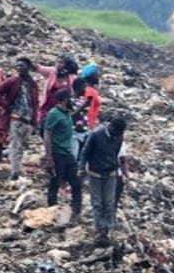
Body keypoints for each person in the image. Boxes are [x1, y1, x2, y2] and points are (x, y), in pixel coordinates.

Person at [78, 115, 127, 246]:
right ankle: (100, 230)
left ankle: (108, 229)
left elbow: (116, 154)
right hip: (95, 173)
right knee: (98, 203)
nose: (118, 135)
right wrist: (81, 168)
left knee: (110, 203)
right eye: (117, 132)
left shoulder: (119, 136)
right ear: (112, 127)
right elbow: (85, 153)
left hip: (111, 173)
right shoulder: (95, 135)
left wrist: (120, 172)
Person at [0, 56, 39, 181]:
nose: (19, 68)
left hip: (28, 119)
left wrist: (35, 120)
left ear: (29, 68)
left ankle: (17, 168)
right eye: (17, 66)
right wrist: (7, 107)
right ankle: (15, 172)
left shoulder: (32, 84)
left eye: (22, 66)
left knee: (22, 145)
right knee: (15, 145)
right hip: (16, 118)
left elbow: (35, 103)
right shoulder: (12, 81)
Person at [43, 88, 82, 219]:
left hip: (67, 153)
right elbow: (47, 134)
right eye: (70, 98)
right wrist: (49, 158)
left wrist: (84, 106)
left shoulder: (66, 113)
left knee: (75, 182)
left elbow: (73, 114)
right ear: (65, 99)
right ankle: (51, 210)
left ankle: (76, 209)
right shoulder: (54, 114)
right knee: (55, 181)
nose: (72, 100)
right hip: (57, 153)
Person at [36, 54, 78, 135]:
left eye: (61, 63)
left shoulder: (72, 77)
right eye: (57, 62)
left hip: (62, 110)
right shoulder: (52, 71)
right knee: (45, 130)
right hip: (47, 109)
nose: (58, 64)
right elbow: (39, 68)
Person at [69, 77, 92, 162]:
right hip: (74, 133)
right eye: (84, 87)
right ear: (78, 87)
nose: (86, 90)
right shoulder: (70, 101)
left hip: (84, 133)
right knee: (73, 157)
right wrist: (83, 107)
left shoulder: (82, 100)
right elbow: (70, 115)